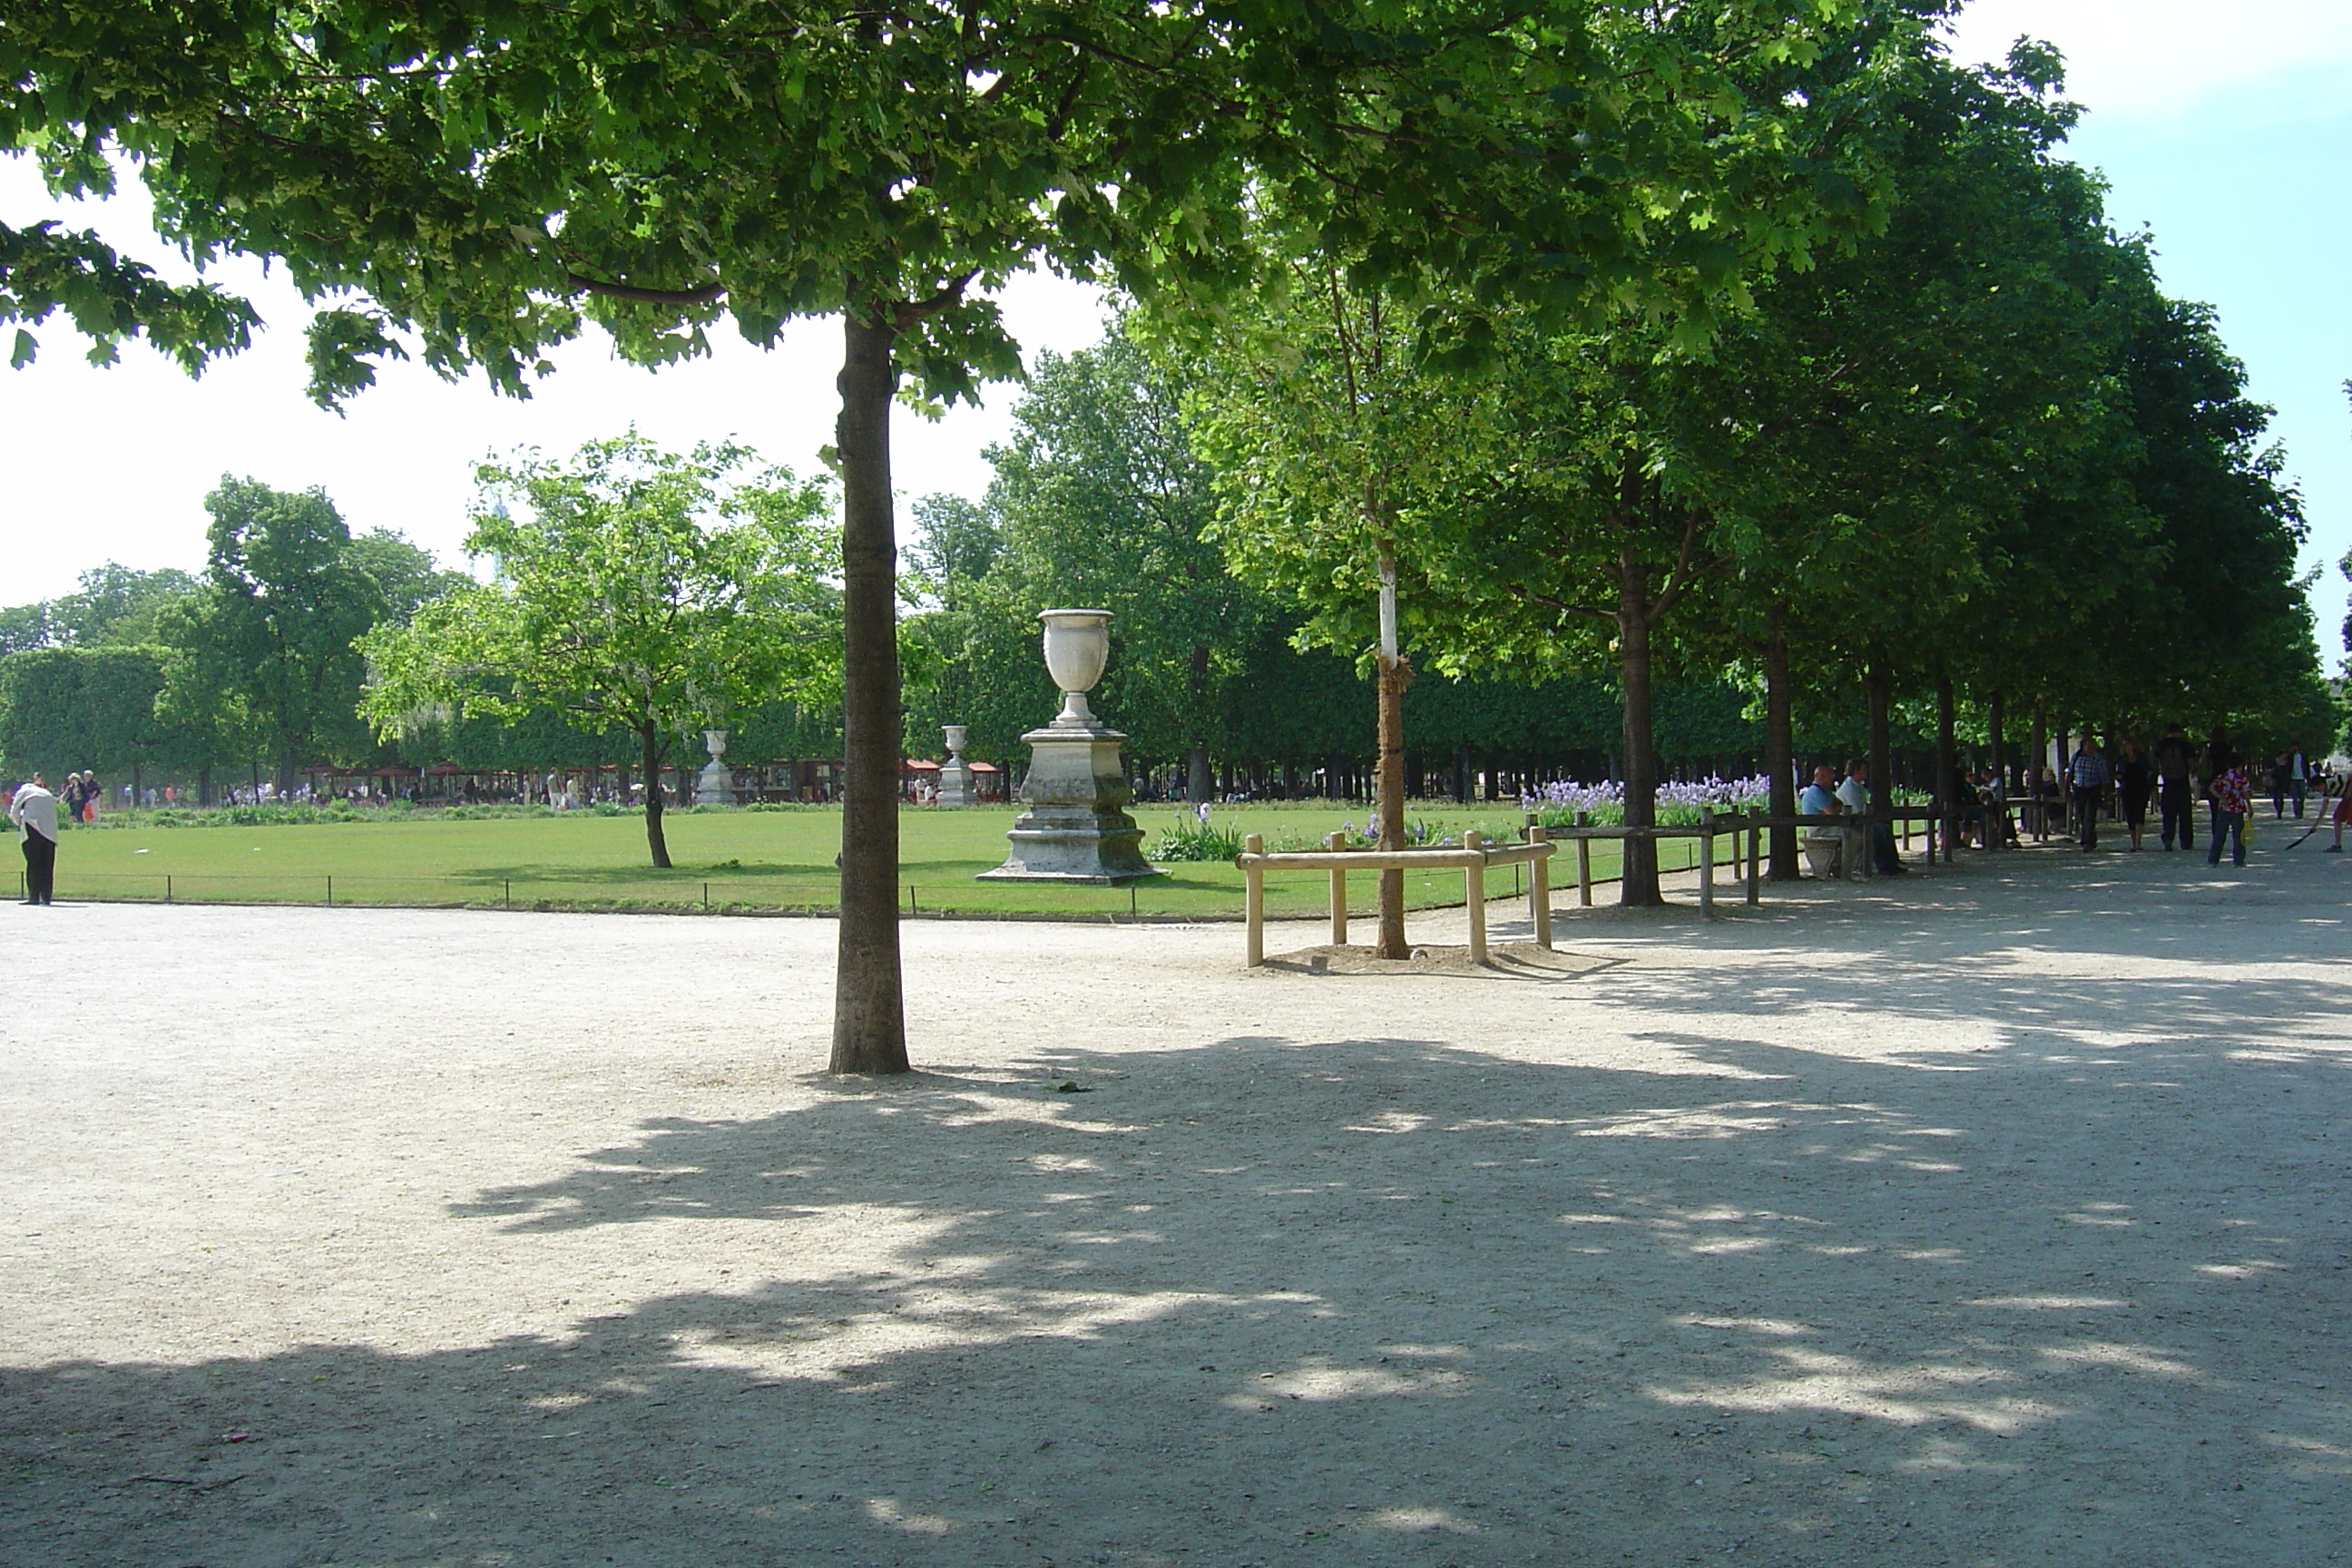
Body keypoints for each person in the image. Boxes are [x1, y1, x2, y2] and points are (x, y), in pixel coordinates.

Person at [9, 771, 59, 905]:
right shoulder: (47, 794)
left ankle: (33, 897)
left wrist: (18, 822)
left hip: (32, 828)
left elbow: (14, 811)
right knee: (47, 865)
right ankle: (46, 897)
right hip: (50, 832)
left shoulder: (24, 791)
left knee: (34, 864)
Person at [1799, 763, 1849, 879]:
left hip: (1828, 827)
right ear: (1820, 776)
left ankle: (1842, 865)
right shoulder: (1816, 792)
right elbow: (1832, 813)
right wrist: (1831, 808)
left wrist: (1831, 809)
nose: (1833, 778)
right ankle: (1846, 866)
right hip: (1820, 830)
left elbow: (1840, 805)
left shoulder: (1825, 791)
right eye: (1830, 775)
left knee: (1857, 832)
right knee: (1852, 834)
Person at [2153, 725, 2196, 850]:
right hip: (2182, 783)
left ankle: (2168, 838)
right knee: (2185, 814)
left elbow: (2156, 762)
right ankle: (2186, 841)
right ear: (2180, 732)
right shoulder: (2185, 744)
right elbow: (2191, 763)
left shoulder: (2162, 745)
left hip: (2168, 782)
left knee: (2168, 813)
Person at [2068, 735, 2112, 850]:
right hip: (2079, 789)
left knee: (2089, 816)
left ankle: (2086, 842)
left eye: (2093, 747)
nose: (2091, 750)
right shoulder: (2076, 757)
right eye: (2089, 747)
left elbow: (2104, 778)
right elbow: (2070, 772)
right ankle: (2091, 838)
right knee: (2081, 815)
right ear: (2084, 747)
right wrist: (2066, 788)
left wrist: (2105, 795)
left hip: (2093, 789)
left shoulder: (2098, 759)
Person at [2114, 738, 2154, 851]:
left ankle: (2138, 842)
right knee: (2130, 816)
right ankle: (2133, 842)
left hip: (2141, 789)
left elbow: (2149, 771)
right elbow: (2117, 773)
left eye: (2128, 745)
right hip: (2127, 790)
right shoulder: (2121, 760)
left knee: (2139, 814)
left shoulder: (2142, 757)